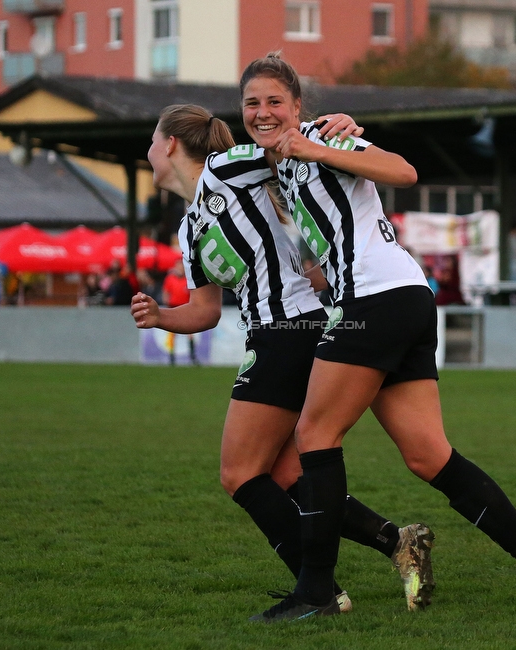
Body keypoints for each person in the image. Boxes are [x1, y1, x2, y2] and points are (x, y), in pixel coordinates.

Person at [238, 53, 516, 622]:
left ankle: (315, 592)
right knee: (427, 454)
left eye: (276, 101)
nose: (264, 112)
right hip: (405, 297)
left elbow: (403, 172)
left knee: (315, 433)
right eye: (253, 103)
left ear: (298, 107)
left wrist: (320, 143)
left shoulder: (324, 136)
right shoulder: (281, 170)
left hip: (377, 300)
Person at [130, 104, 436, 615]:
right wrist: (163, 315)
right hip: (271, 333)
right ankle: (396, 542)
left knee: (239, 473)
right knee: (288, 475)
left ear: (168, 146)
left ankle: (319, 589)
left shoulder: (230, 168)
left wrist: (335, 128)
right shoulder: (189, 229)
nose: (148, 152)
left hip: (293, 325)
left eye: (150, 141)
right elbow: (205, 313)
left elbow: (289, 149)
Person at [159, 258, 197, 365]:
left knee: (190, 333)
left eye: (181, 266)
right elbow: (166, 292)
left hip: (186, 309)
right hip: (174, 309)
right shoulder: (170, 279)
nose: (180, 268)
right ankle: (171, 357)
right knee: (172, 334)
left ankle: (192, 357)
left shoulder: (188, 279)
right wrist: (166, 302)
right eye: (178, 266)